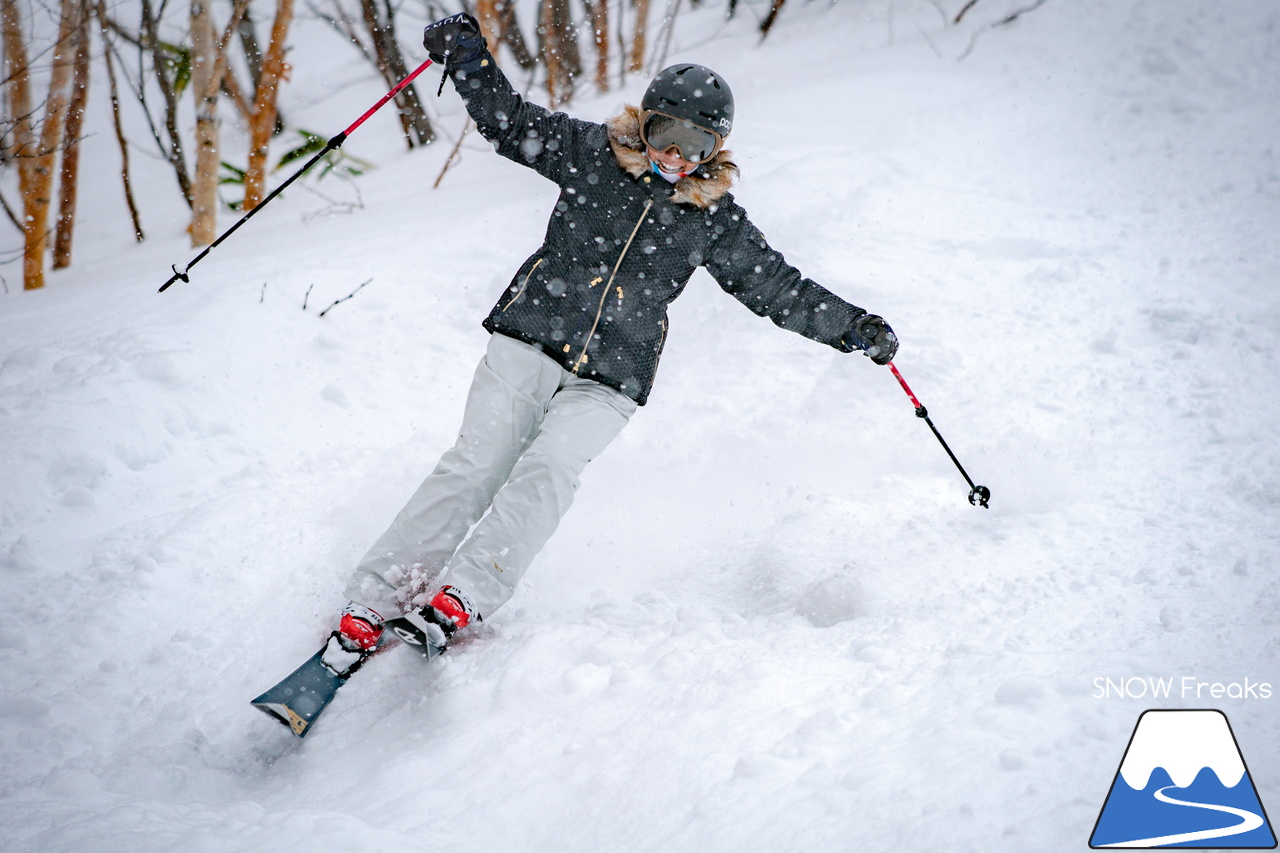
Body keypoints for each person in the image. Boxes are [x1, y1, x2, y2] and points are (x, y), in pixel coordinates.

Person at [319, 13, 899, 677]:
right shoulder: (592, 152)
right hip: (530, 335)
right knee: (478, 462)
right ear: (644, 122)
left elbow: (775, 285)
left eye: (697, 143)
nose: (677, 155)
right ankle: (378, 593)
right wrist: (469, 56)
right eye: (666, 134)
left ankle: (465, 596)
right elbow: (509, 121)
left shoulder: (711, 217)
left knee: (549, 471)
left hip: (612, 376)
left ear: (716, 149)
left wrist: (852, 325)